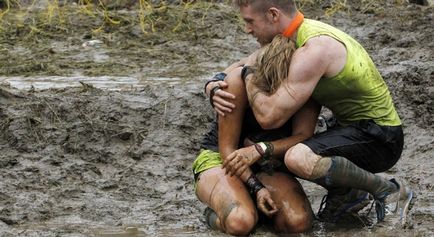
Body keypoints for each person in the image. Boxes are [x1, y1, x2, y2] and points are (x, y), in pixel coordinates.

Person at [206, 0, 413, 225]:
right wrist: (214, 83)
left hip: (380, 137)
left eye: (249, 21)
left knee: (297, 157)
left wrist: (247, 75)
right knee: (274, 150)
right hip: (348, 127)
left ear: (273, 15)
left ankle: (389, 190)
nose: (247, 29)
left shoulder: (314, 49)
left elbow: (269, 117)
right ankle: (348, 192)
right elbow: (245, 61)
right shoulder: (297, 35)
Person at [193, 37, 319, 235]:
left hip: (267, 162)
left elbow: (303, 136)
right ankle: (216, 215)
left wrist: (261, 149)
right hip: (222, 159)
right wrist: (257, 188)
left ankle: (253, 208)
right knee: (239, 222)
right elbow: (228, 152)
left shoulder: (305, 86)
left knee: (298, 223)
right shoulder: (239, 82)